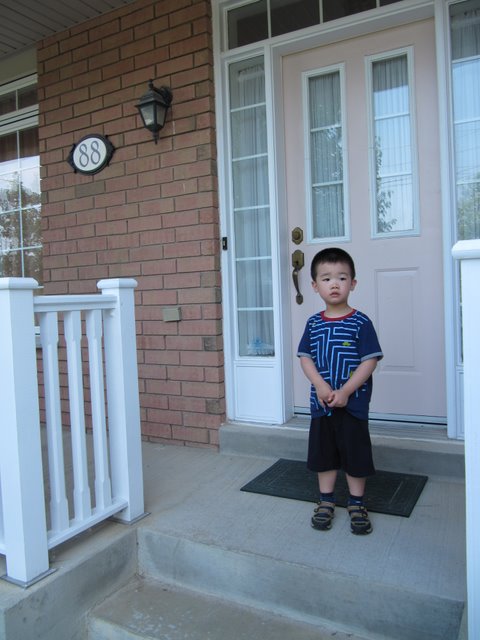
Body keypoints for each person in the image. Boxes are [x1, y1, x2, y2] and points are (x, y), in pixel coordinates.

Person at [297, 247, 383, 535]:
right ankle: (326, 500)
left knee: (356, 454)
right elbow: (305, 358)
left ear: (353, 283)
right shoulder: (313, 323)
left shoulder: (361, 322)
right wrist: (320, 385)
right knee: (324, 455)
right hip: (321, 405)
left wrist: (345, 391)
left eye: (342, 278)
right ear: (315, 286)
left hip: (353, 404)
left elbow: (369, 361)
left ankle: (357, 502)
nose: (334, 284)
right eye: (326, 278)